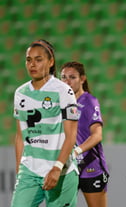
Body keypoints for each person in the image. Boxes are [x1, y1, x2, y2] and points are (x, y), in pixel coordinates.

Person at [11, 40, 79, 207]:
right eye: (28, 59)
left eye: (38, 59)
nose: (32, 64)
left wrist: (57, 167)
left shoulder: (64, 91)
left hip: (61, 171)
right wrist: (20, 170)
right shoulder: (20, 93)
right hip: (30, 171)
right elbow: (20, 136)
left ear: (51, 62)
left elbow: (71, 136)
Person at [60, 61, 110, 207]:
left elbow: (97, 135)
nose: (67, 81)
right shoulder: (59, 103)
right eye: (63, 77)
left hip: (90, 167)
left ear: (82, 79)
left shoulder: (89, 101)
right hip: (68, 167)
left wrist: (76, 151)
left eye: (72, 77)